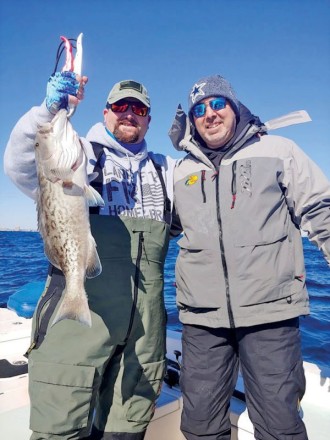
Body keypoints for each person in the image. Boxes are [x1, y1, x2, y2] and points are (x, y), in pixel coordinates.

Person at [4, 71, 176, 440]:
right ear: (105, 112)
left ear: (148, 118)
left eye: (139, 108)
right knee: (61, 429)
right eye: (120, 106)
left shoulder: (167, 170)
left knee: (125, 430)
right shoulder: (78, 154)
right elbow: (19, 165)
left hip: (142, 335)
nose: (129, 113)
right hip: (79, 319)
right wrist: (47, 112)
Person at [168, 74, 330, 440]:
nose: (210, 114)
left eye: (217, 104)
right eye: (199, 109)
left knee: (279, 425)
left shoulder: (279, 150)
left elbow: (320, 208)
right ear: (191, 120)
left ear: (235, 107)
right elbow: (166, 230)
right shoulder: (182, 171)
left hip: (270, 310)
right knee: (198, 425)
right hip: (202, 317)